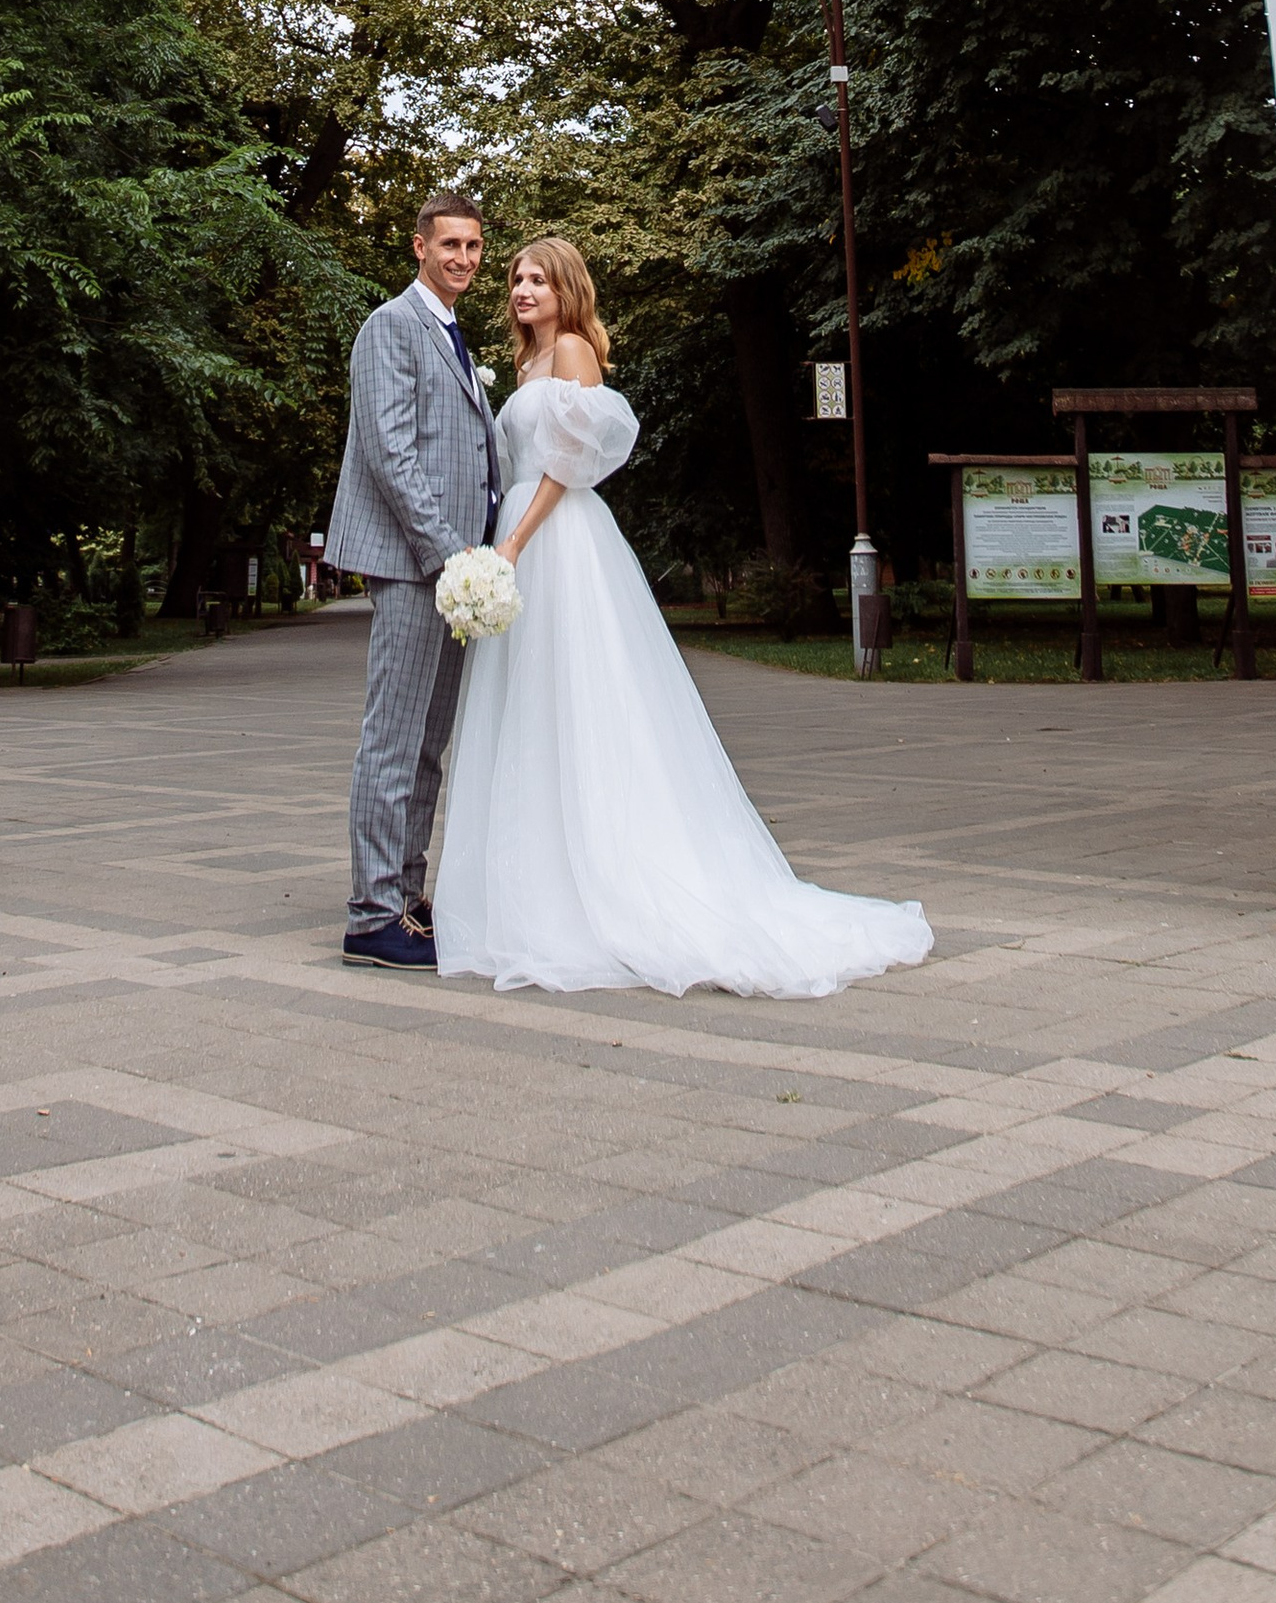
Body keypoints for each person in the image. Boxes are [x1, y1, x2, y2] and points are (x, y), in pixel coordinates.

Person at [432, 233, 934, 998]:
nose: (521, 289)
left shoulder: (572, 352)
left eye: (537, 279)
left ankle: (609, 878)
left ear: (568, 290)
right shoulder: (529, 362)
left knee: (581, 703)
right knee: (530, 712)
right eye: (516, 279)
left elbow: (567, 467)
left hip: (557, 541)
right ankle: (531, 886)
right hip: (519, 538)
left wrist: (513, 546)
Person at [322, 187, 503, 969]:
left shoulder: (454, 335)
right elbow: (391, 456)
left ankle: (406, 893)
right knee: (392, 741)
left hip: (456, 570)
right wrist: (448, 556)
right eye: (449, 245)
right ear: (418, 248)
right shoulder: (390, 326)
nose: (462, 258)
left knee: (429, 744)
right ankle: (370, 914)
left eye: (473, 246)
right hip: (414, 567)